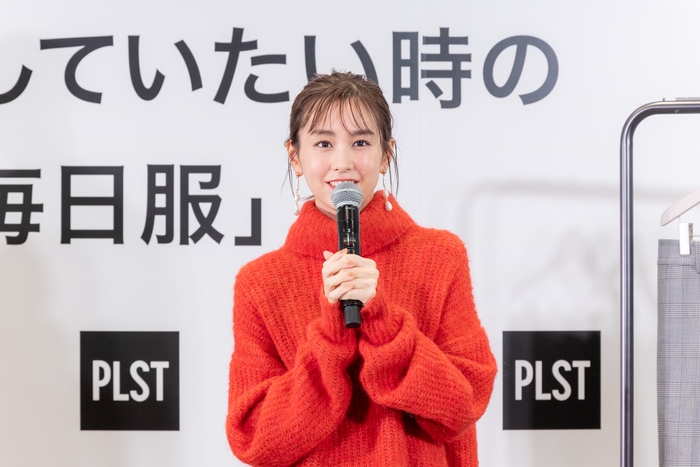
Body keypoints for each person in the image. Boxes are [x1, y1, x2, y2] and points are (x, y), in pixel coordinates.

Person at [226, 71, 497, 467]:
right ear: (295, 157)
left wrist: (385, 326)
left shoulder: (440, 256)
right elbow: (254, 438)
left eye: (360, 142)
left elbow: (464, 404)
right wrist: (330, 341)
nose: (343, 162)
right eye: (323, 143)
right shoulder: (260, 282)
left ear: (386, 154)